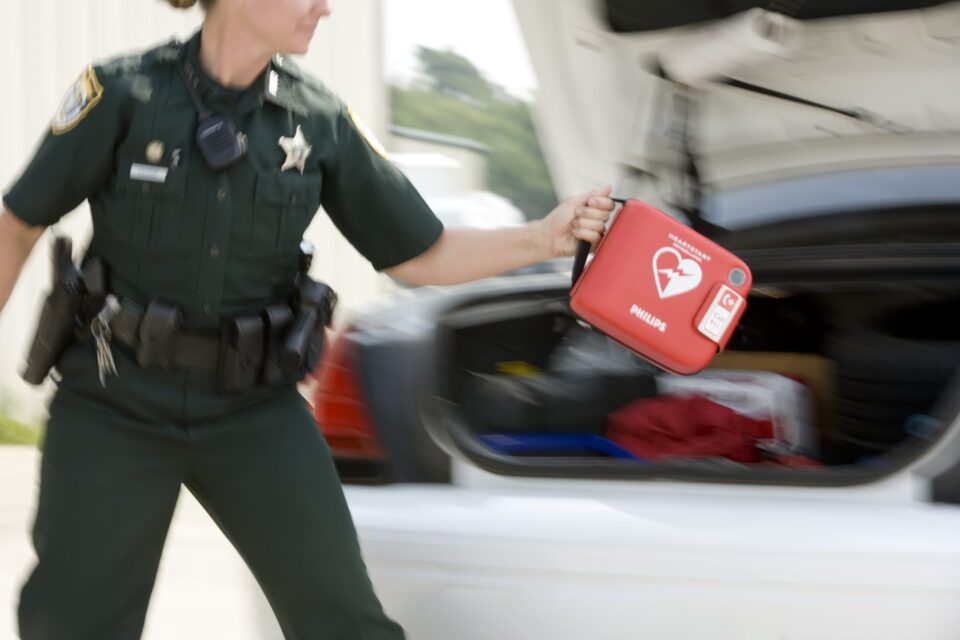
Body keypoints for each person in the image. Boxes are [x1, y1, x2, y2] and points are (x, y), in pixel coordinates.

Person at [0, 0, 615, 638]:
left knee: (343, 625)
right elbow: (17, 225)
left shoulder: (318, 120)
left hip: (253, 412)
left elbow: (420, 252)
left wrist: (547, 236)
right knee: (69, 625)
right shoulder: (123, 93)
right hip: (114, 400)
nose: (326, 7)